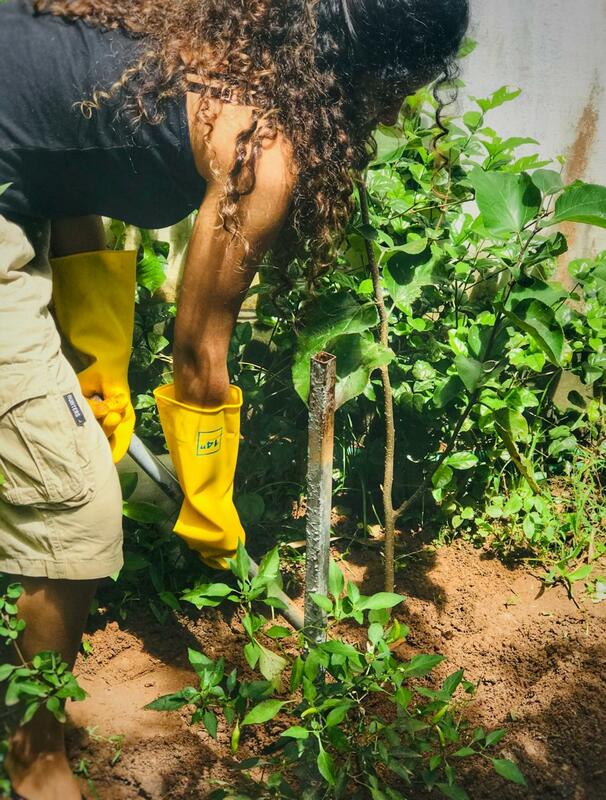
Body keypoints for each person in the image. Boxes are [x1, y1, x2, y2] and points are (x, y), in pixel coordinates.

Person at [0, 0, 469, 796]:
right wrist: (213, 501)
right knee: (75, 499)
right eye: (403, 88)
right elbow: (197, 350)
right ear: (363, 74)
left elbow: (55, 139)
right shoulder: (262, 147)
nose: (402, 109)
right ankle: (35, 760)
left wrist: (95, 340)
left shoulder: (213, 41)